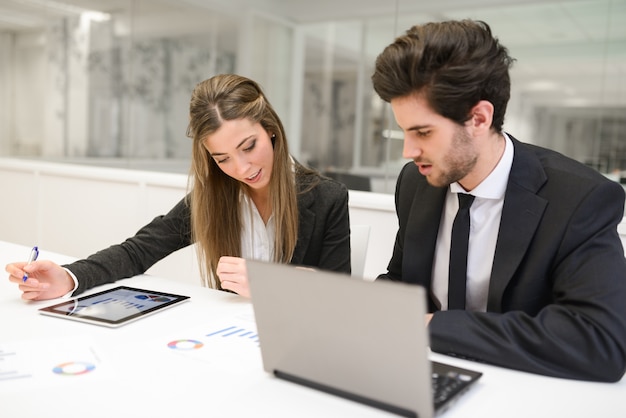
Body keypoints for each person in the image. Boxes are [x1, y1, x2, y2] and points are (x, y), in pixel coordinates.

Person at [371, 19, 626, 382]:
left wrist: (436, 327)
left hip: (523, 391)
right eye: (404, 132)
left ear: (479, 118)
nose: (408, 151)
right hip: (424, 376)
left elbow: (598, 341)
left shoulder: (579, 199)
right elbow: (403, 281)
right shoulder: (417, 182)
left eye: (423, 132)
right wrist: (358, 309)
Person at [6, 74, 351, 300]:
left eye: (248, 146)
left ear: (271, 130)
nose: (242, 168)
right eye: (222, 158)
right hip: (226, 340)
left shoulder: (326, 198)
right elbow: (137, 251)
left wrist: (274, 285)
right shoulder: (213, 198)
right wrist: (68, 277)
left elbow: (341, 297)